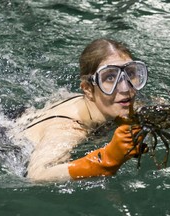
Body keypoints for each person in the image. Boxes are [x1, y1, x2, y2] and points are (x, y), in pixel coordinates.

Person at [14, 38, 148, 182]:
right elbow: (37, 175)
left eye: (130, 74)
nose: (125, 88)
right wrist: (106, 160)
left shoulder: (115, 106)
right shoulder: (68, 129)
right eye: (110, 77)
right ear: (88, 89)